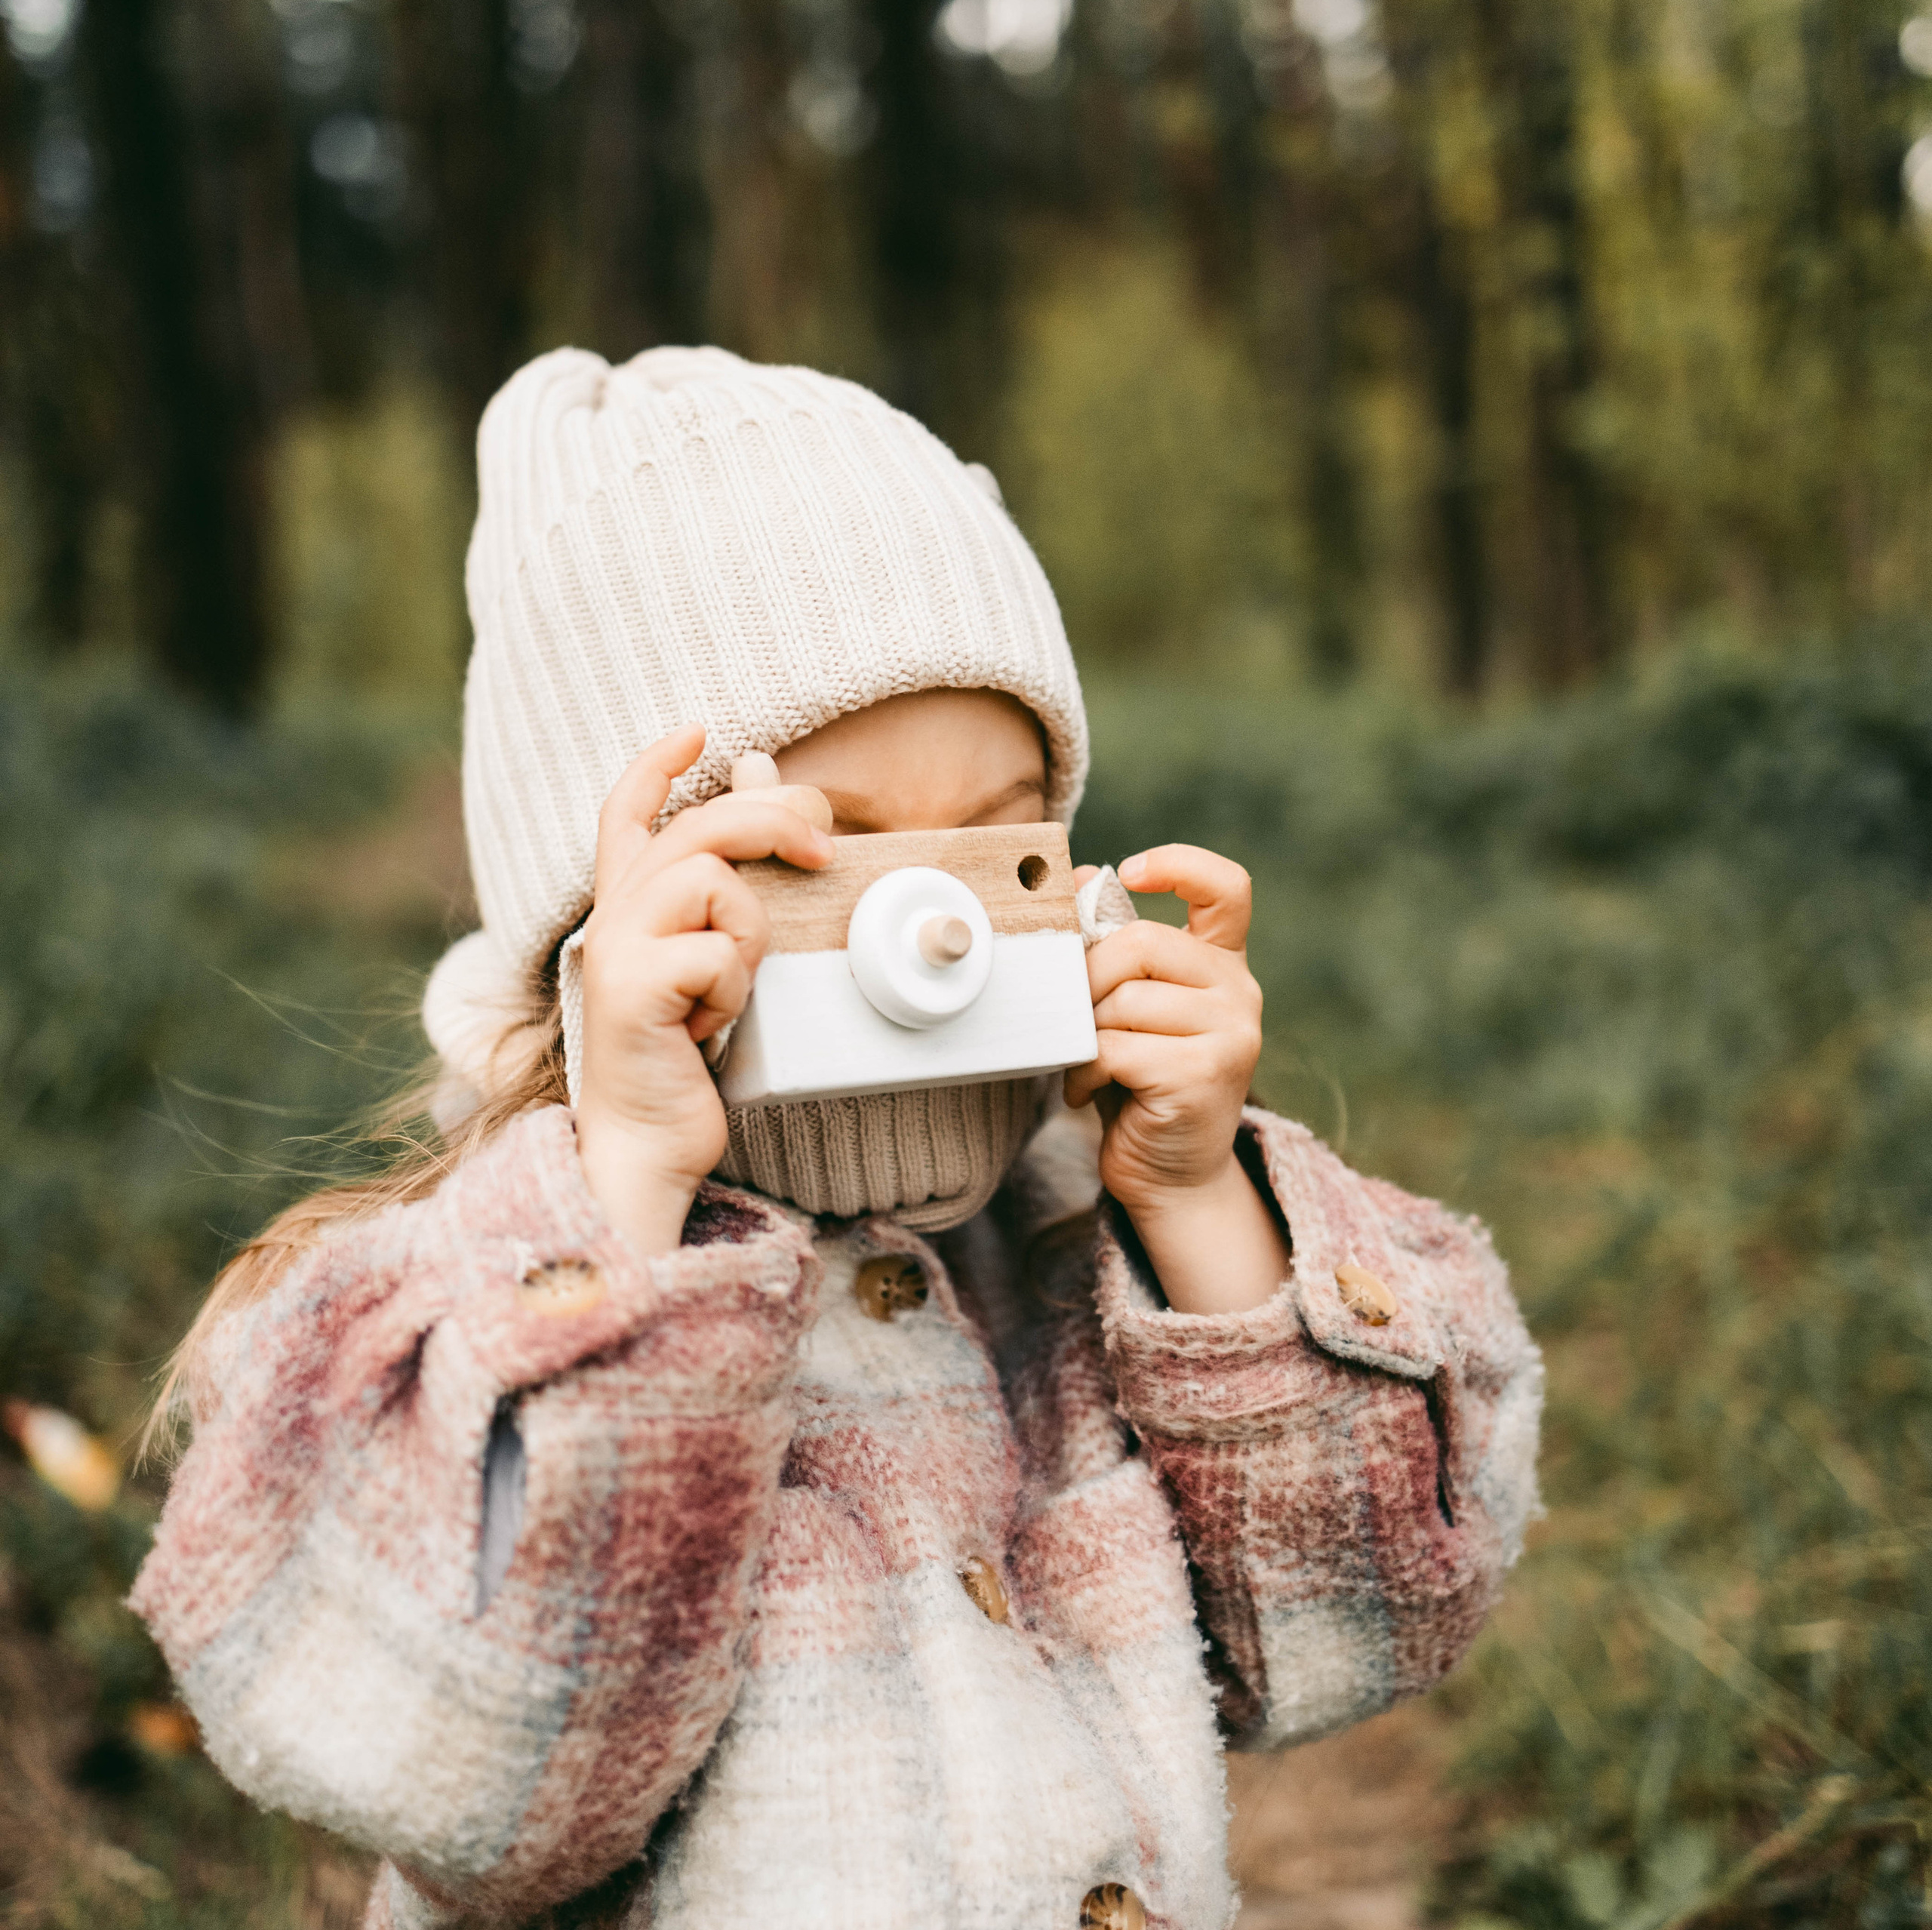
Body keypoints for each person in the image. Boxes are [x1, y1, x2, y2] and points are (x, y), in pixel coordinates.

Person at [131, 347, 1543, 1930]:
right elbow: (447, 1764)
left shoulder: (1069, 1256)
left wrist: (1201, 1209)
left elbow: (1355, 1625)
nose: (928, 933)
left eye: (997, 832)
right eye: (833, 850)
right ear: (599, 913)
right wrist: (627, 1188)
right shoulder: (439, 1313)